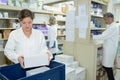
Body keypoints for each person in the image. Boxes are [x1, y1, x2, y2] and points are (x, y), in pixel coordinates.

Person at [92, 12, 119, 80]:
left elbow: (104, 36)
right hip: (109, 48)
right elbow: (105, 35)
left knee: (108, 67)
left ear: (110, 18)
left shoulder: (113, 27)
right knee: (107, 67)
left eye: (105, 19)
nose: (105, 21)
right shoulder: (111, 26)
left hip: (110, 49)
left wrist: (93, 36)